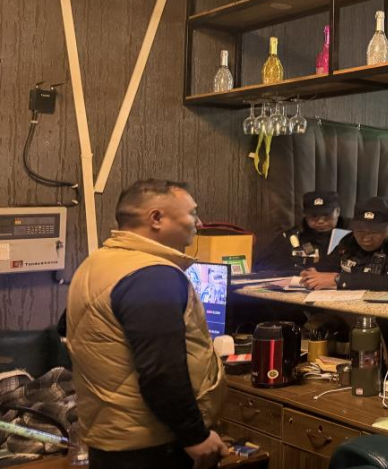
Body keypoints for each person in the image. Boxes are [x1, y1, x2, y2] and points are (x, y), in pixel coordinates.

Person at [66, 179, 229, 469]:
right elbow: (162, 371)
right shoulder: (153, 276)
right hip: (152, 447)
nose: (199, 223)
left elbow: (69, 330)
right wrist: (195, 436)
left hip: (111, 440)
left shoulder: (97, 263)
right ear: (156, 218)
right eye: (192, 213)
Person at [300, 196, 388, 291]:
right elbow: (327, 266)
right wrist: (312, 272)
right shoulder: (349, 240)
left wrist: (339, 279)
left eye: (375, 231)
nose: (366, 238)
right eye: (360, 230)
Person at [253, 190, 348, 272]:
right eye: (314, 216)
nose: (320, 221)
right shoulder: (292, 238)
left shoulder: (352, 235)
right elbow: (262, 266)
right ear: (305, 215)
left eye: (326, 215)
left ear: (337, 211)